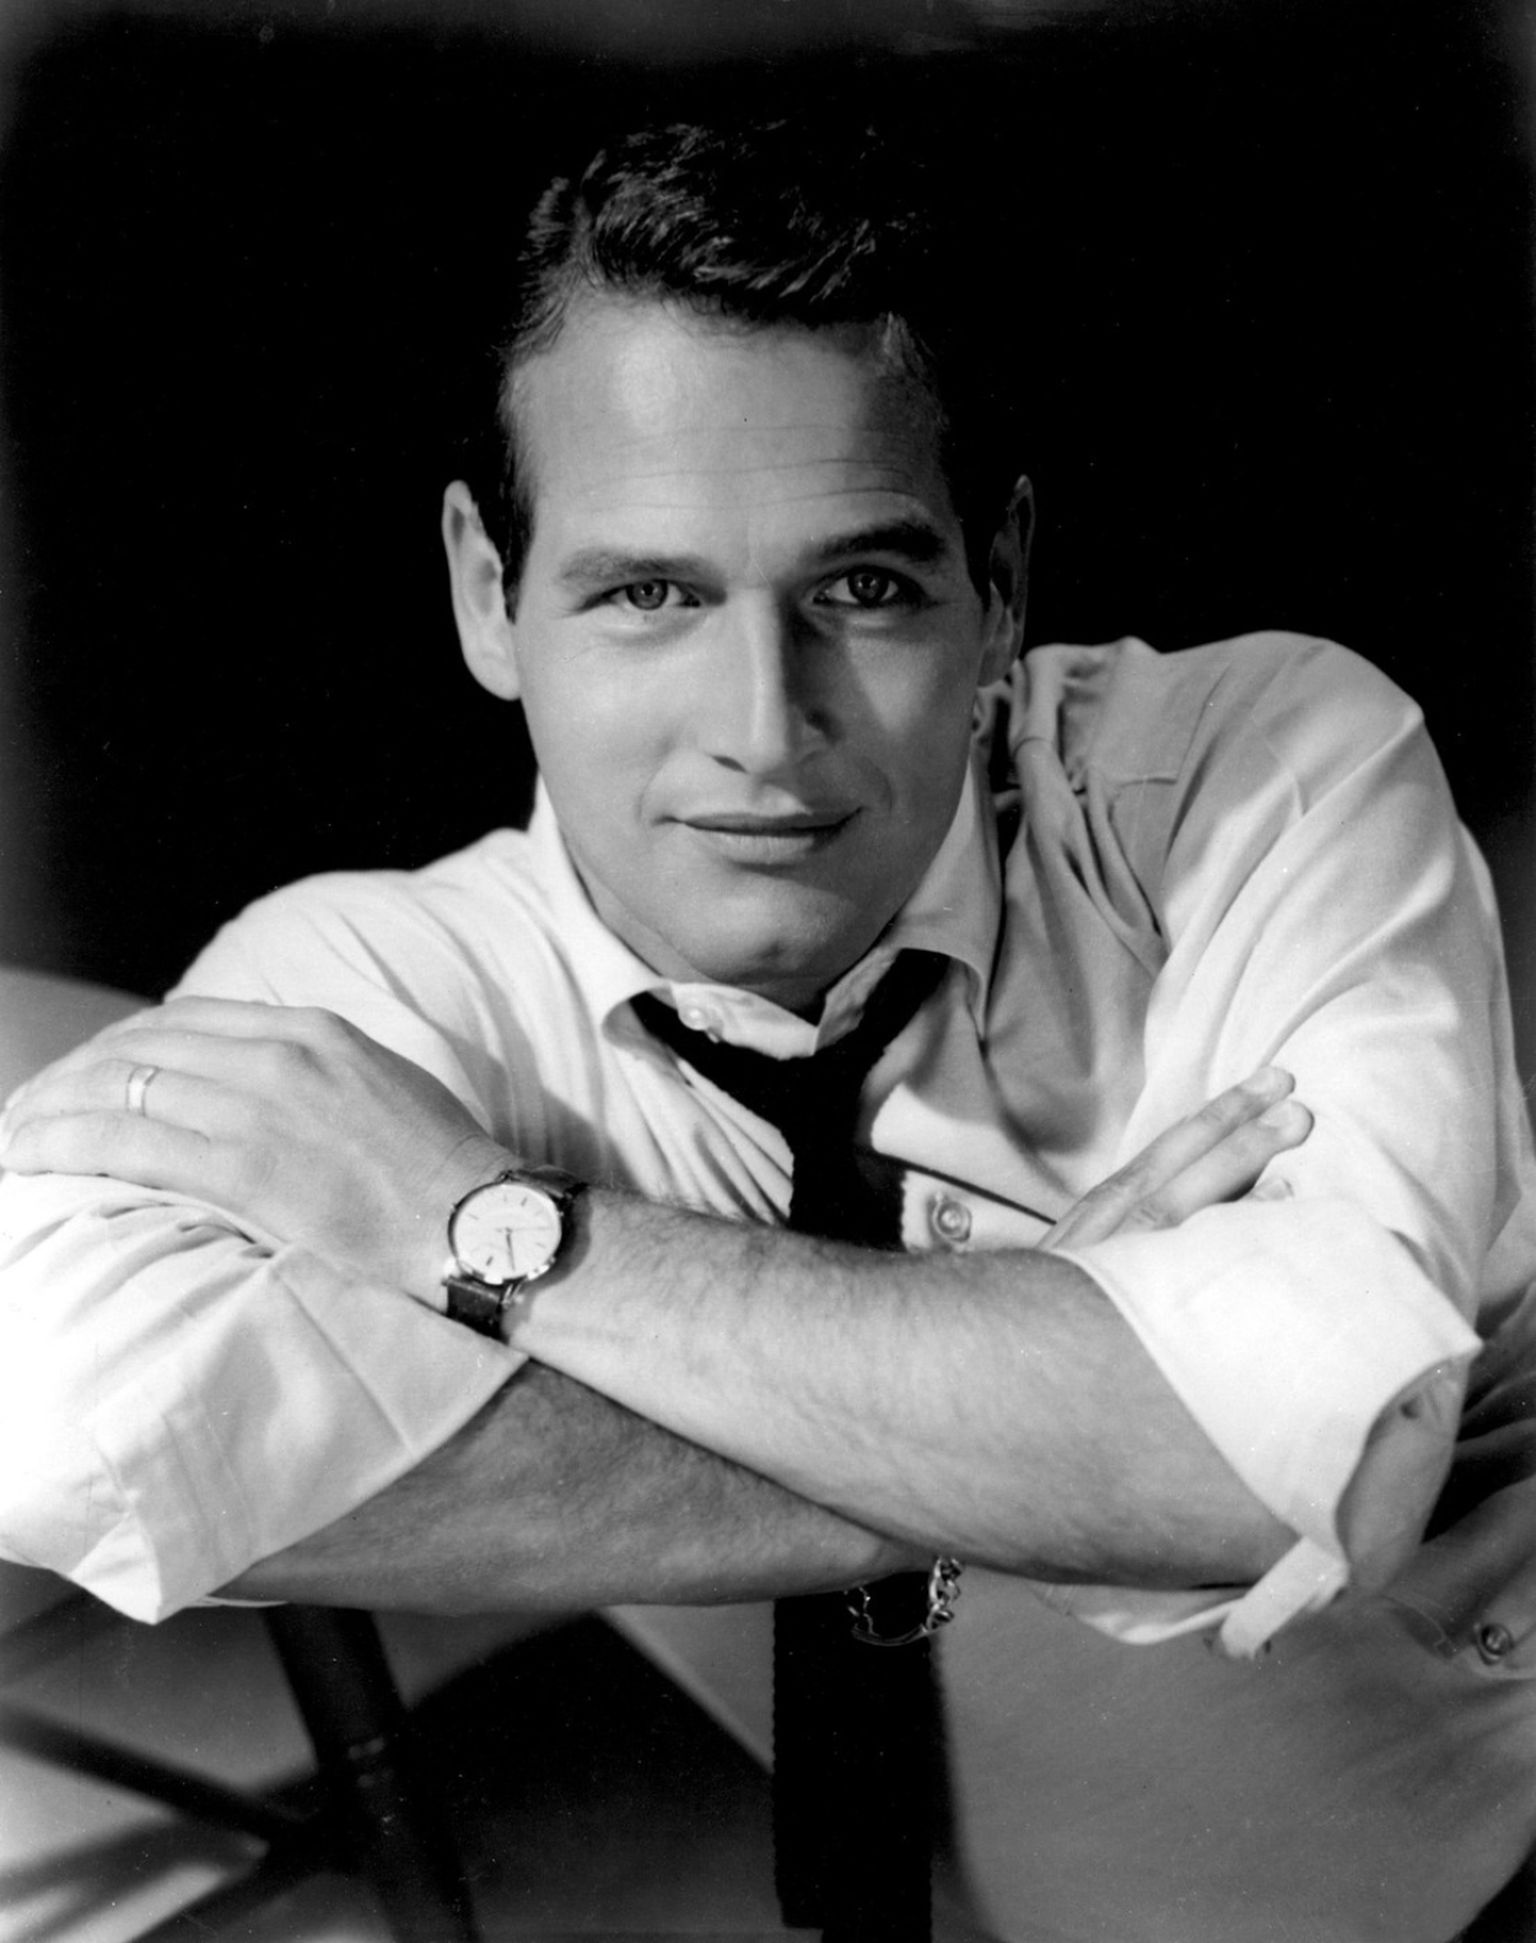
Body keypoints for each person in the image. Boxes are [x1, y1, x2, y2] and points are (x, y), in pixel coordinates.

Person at [2, 117, 1535, 1943]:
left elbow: (1290, 1451)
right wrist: (1038, 1399)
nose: (762, 727)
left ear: (1001, 581)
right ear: (490, 594)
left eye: (863, 590)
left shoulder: (1249, 774)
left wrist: (502, 1237)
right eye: (648, 596)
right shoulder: (380, 984)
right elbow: (54, 1421)